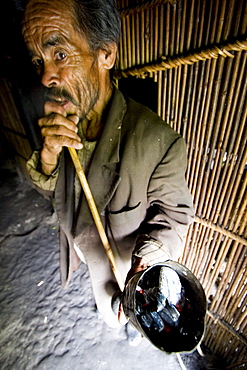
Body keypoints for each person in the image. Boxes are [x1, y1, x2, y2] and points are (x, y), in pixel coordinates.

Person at [21, 0, 194, 333]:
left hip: (129, 263)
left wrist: (146, 263)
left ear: (106, 54)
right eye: (37, 59)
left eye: (59, 55)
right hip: (87, 253)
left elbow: (173, 217)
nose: (45, 77)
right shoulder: (62, 120)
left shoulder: (157, 141)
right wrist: (47, 157)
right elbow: (51, 192)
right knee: (107, 312)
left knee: (134, 317)